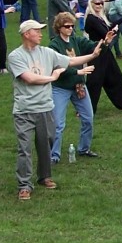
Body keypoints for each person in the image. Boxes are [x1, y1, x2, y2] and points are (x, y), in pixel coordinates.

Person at [8, 20, 101, 200]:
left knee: (46, 142)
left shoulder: (47, 52)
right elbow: (29, 78)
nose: (41, 33)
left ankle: (44, 176)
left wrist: (93, 55)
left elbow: (71, 61)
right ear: (27, 34)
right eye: (37, 30)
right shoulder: (15, 56)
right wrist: (52, 77)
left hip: (45, 107)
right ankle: (25, 185)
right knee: (24, 148)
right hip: (25, 110)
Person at [47, 12, 101, 164]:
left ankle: (84, 148)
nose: (70, 28)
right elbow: (58, 67)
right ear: (59, 27)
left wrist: (104, 42)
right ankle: (54, 155)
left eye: (72, 26)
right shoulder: (54, 45)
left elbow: (91, 45)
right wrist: (78, 71)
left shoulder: (75, 40)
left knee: (88, 118)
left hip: (78, 86)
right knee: (58, 123)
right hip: (61, 88)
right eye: (67, 26)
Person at [84, 0, 122, 114]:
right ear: (91, 4)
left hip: (105, 51)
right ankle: (86, 108)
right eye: (97, 3)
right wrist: (112, 31)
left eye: (101, 3)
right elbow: (105, 33)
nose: (100, 5)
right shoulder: (91, 19)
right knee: (94, 81)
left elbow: (109, 26)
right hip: (96, 52)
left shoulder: (100, 17)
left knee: (116, 77)